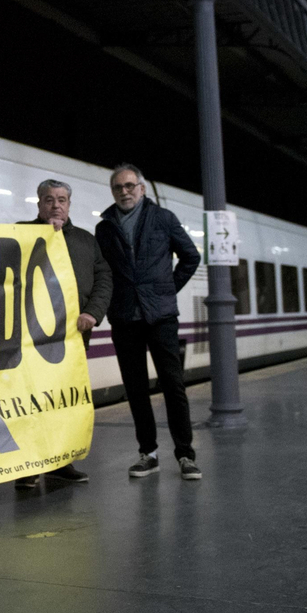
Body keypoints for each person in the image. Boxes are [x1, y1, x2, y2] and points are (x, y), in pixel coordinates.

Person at [95, 164, 202, 481]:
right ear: (113, 192)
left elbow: (191, 256)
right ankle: (148, 454)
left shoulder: (163, 218)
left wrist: (165, 290)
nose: (124, 191)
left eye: (129, 185)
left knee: (173, 385)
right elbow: (102, 271)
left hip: (161, 317)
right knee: (136, 389)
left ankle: (185, 455)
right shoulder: (105, 227)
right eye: (118, 187)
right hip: (124, 317)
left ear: (141, 188)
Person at [16, 180, 111, 488]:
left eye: (61, 200)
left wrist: (92, 313)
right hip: (29, 336)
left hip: (73, 336)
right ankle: (29, 465)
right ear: (39, 204)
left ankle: (61, 461)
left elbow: (104, 278)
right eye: (48, 200)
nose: (55, 205)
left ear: (69, 205)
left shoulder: (85, 240)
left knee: (64, 399)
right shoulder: (19, 233)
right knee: (29, 399)